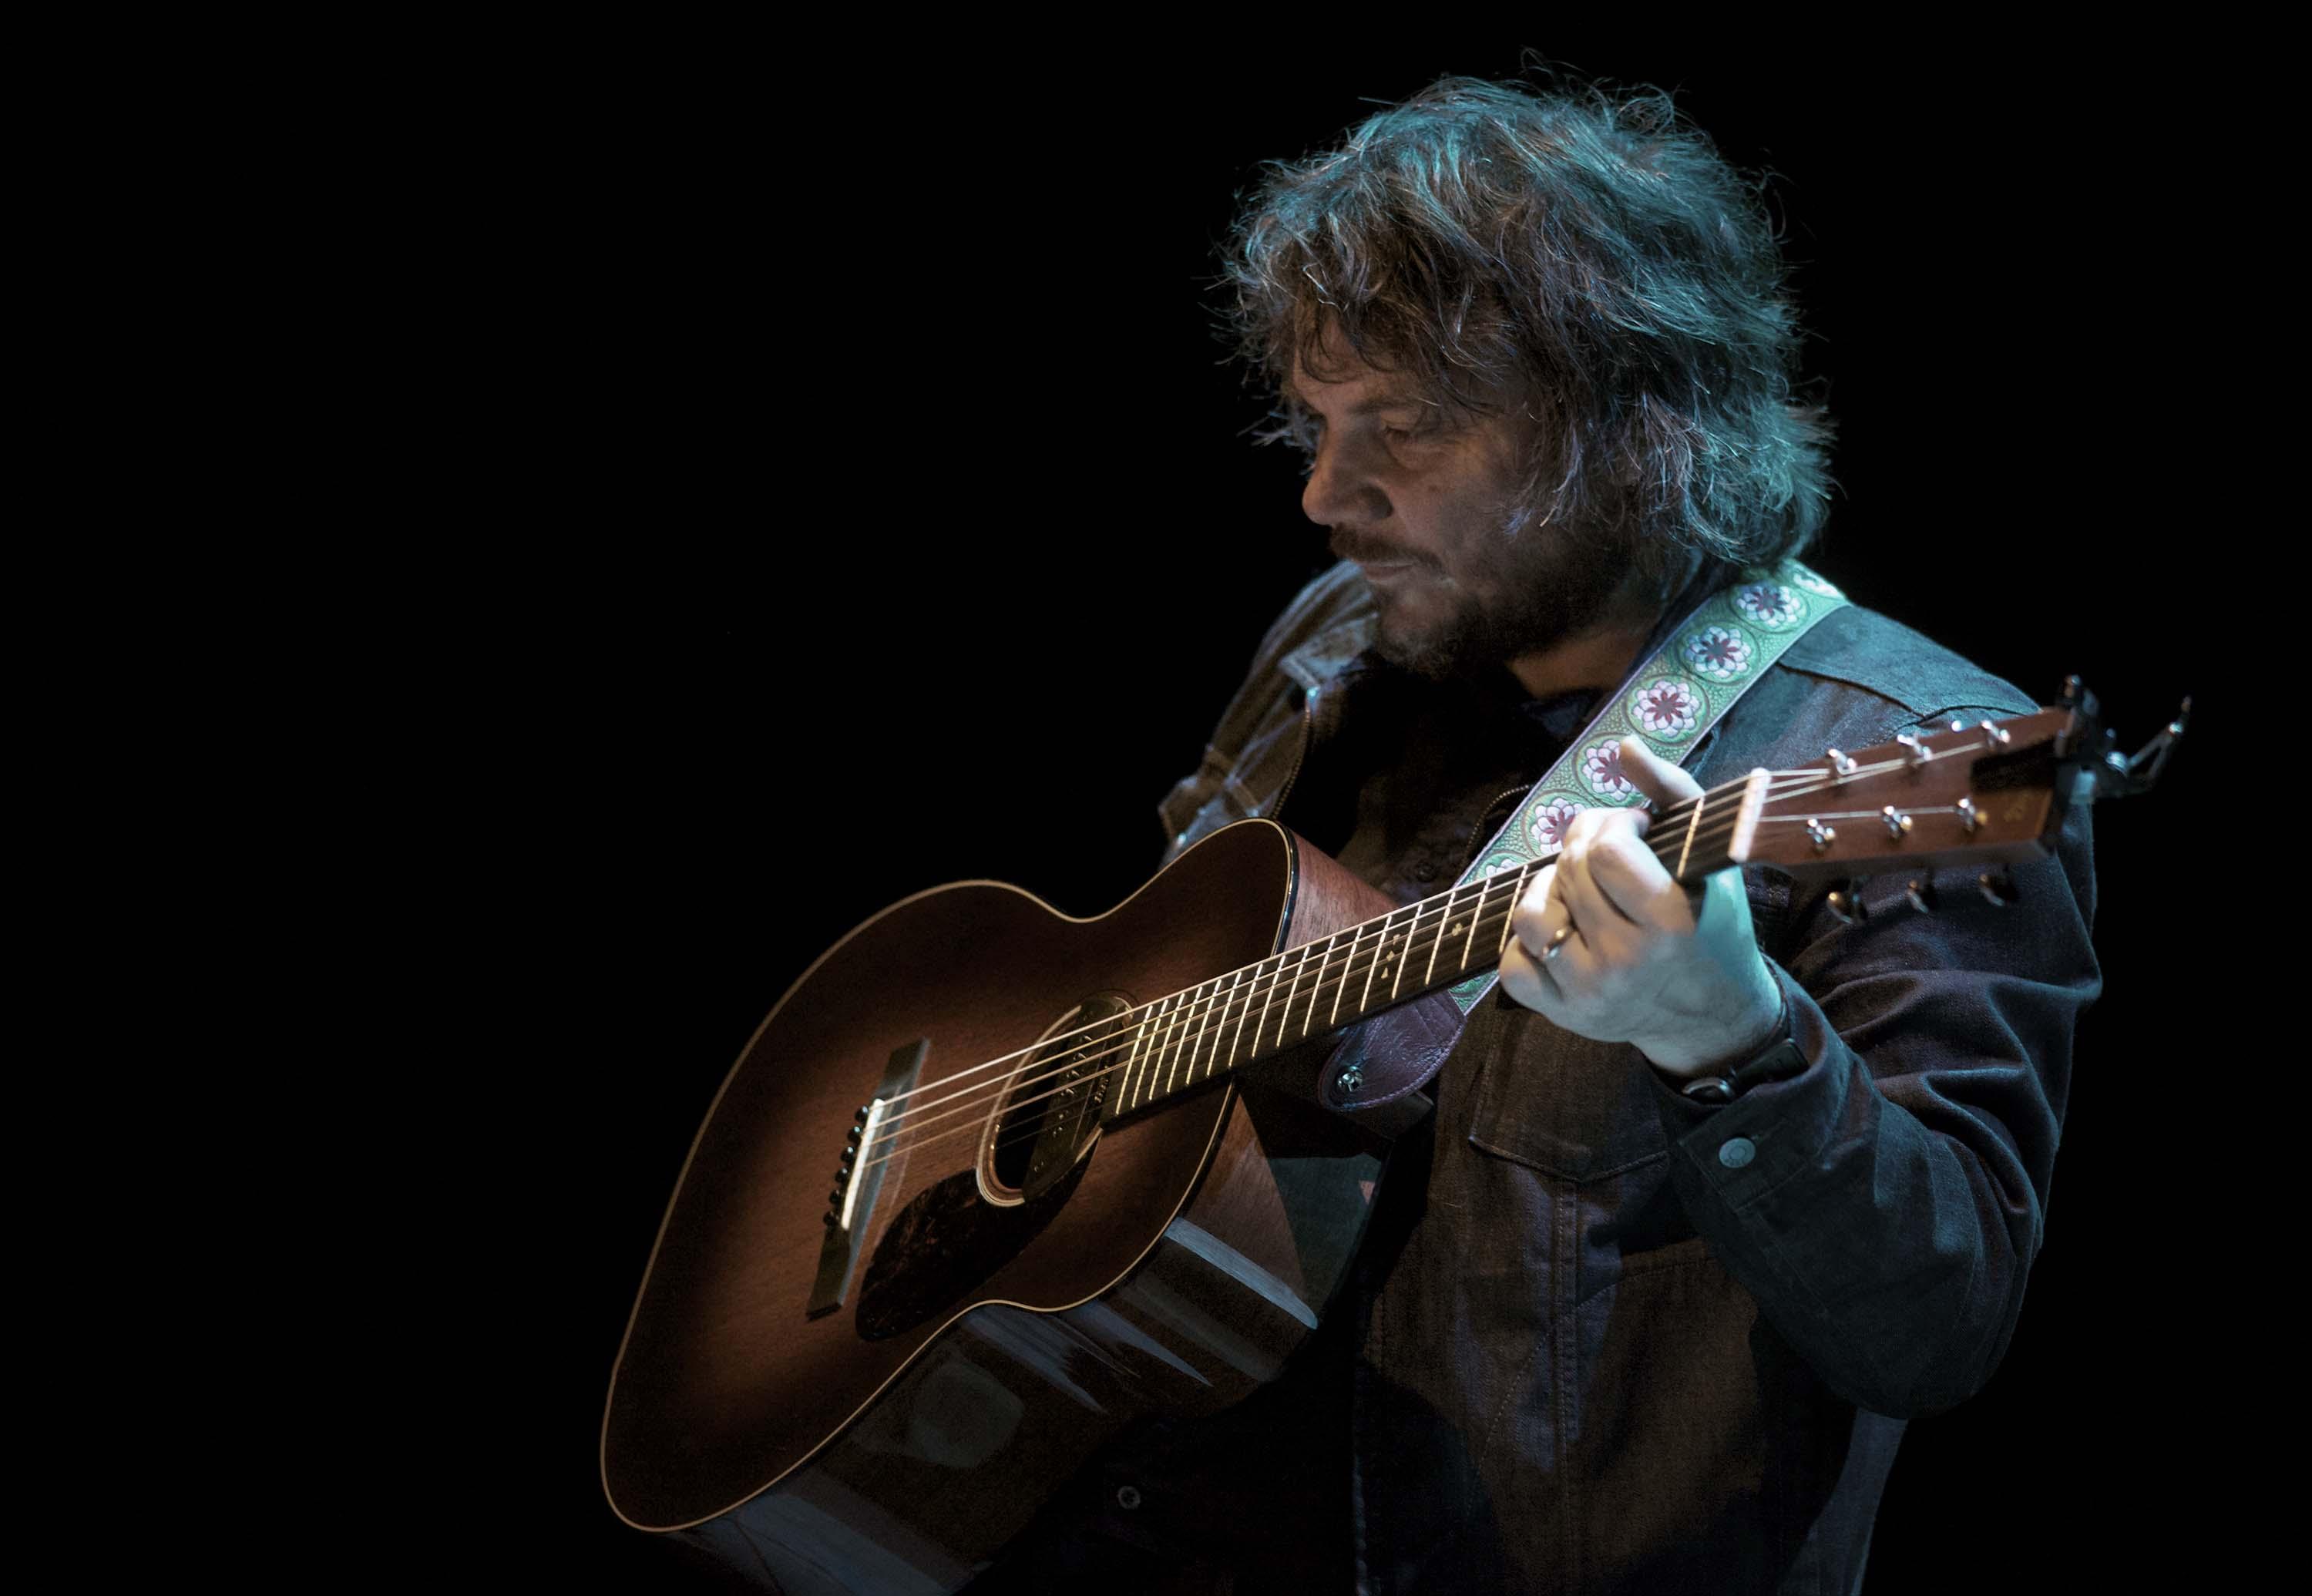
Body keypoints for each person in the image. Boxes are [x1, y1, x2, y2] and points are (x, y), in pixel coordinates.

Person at [962, 73, 2100, 1594]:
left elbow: (1936, 1318)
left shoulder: (1892, 754)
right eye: (1314, 423)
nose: (1324, 494)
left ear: (1637, 428)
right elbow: (1130, 977)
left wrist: (1734, 1036)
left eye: (1406, 430)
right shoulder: (1341, 635)